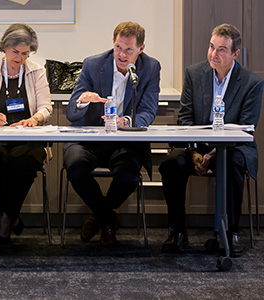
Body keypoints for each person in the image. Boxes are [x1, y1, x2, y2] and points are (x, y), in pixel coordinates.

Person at [159, 24, 263, 256]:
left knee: (233, 163)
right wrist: (195, 152)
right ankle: (177, 231)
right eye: (211, 47)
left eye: (221, 50)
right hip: (195, 145)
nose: (213, 54)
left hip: (231, 147)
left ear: (235, 54)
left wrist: (213, 154)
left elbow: (246, 130)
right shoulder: (194, 74)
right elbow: (185, 119)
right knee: (170, 164)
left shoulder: (251, 83)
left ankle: (229, 233)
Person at [63, 21, 160, 246]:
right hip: (88, 140)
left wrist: (125, 122)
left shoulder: (151, 68)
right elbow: (71, 112)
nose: (122, 54)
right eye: (118, 47)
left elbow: (148, 111)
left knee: (129, 175)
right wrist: (82, 102)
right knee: (76, 168)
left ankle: (99, 217)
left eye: (128, 49)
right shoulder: (93, 64)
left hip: (123, 141)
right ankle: (108, 218)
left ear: (141, 49)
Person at [0, 23, 53, 244]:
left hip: (28, 137)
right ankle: (13, 216)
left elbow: (46, 107)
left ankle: (5, 223)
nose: (20, 58)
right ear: (5, 49)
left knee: (25, 162)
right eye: (15, 52)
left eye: (25, 53)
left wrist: (35, 119)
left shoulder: (36, 71)